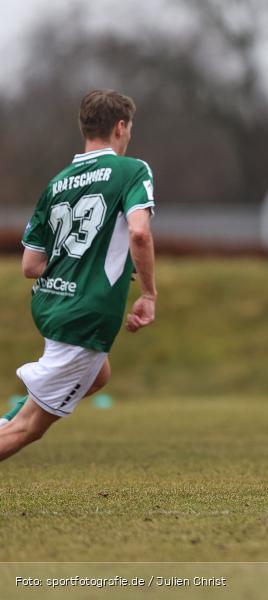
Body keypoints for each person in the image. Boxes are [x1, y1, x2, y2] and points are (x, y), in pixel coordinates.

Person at [0, 89, 156, 461]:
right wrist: (148, 293)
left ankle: (7, 417)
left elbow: (30, 266)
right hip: (85, 314)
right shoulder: (132, 170)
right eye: (129, 127)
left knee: (98, 375)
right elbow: (138, 231)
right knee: (28, 430)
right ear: (121, 126)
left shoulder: (56, 183)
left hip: (51, 305)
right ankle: (11, 421)